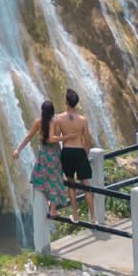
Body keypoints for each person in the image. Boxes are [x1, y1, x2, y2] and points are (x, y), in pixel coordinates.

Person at [14, 100, 66, 220]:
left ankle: (46, 202)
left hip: (44, 155)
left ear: (42, 111)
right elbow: (58, 138)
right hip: (55, 154)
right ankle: (53, 209)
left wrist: (18, 150)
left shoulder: (39, 122)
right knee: (55, 180)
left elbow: (28, 137)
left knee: (40, 178)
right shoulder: (56, 122)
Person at [53, 89, 94, 221]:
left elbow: (57, 138)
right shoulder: (83, 120)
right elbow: (87, 139)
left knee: (71, 184)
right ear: (76, 103)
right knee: (86, 185)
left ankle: (75, 215)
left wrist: (58, 156)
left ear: (66, 102)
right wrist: (86, 153)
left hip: (67, 151)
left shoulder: (59, 118)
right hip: (79, 150)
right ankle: (93, 217)